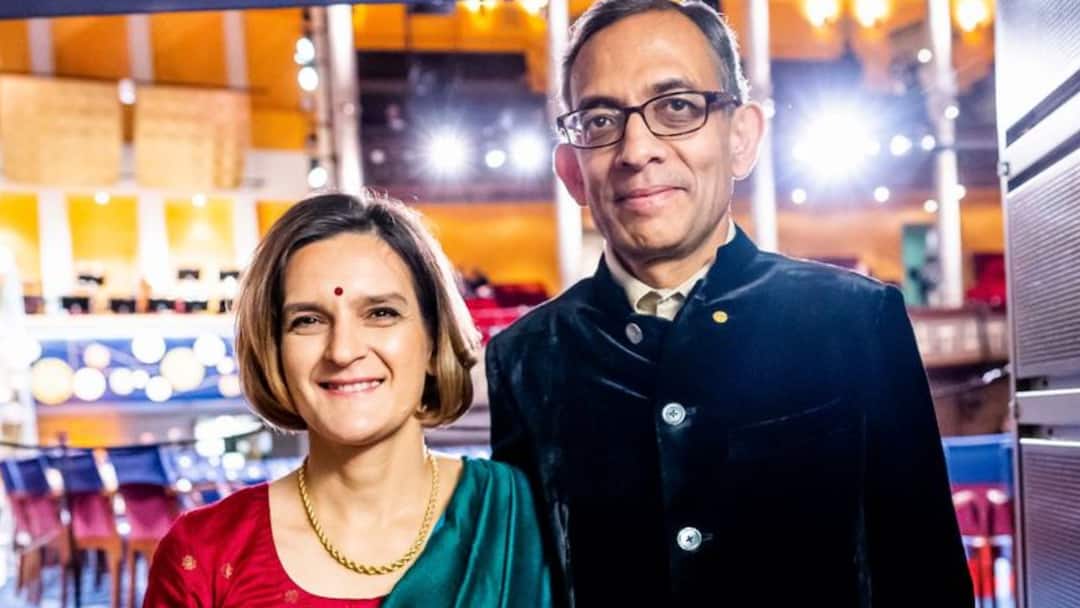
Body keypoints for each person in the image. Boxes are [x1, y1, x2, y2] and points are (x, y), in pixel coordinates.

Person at [486, 1, 973, 606]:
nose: (637, 150)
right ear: (572, 170)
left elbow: (926, 577)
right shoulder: (525, 358)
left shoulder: (855, 321)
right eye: (601, 119)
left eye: (677, 107)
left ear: (742, 137)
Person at [145, 192, 552, 607]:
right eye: (308, 320)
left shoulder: (525, 516)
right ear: (274, 350)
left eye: (380, 313)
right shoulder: (206, 553)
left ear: (432, 339)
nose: (342, 351)